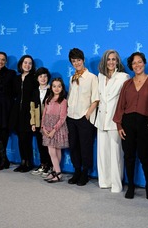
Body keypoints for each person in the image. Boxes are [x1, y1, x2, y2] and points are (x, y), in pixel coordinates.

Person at [113, 52, 148, 200]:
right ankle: (131, 185)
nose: (137, 65)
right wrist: (119, 125)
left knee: (146, 157)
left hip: (147, 124)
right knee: (129, 156)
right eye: (134, 63)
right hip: (128, 123)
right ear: (131, 66)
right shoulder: (127, 84)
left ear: (144, 63)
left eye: (139, 62)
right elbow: (120, 105)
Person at [95, 50, 129, 193]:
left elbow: (125, 101)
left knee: (115, 154)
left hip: (115, 121)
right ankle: (104, 181)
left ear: (117, 61)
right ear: (104, 61)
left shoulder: (123, 77)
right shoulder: (100, 76)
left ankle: (116, 185)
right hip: (101, 120)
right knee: (102, 153)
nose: (111, 62)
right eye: (108, 59)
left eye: (114, 59)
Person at [66, 48, 99, 186]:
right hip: (71, 117)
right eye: (74, 61)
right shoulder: (72, 78)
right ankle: (77, 171)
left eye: (78, 60)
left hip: (84, 118)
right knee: (73, 146)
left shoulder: (92, 77)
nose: (76, 63)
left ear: (83, 60)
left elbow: (96, 99)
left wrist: (88, 114)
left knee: (85, 146)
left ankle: (85, 172)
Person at [9, 54, 38, 173]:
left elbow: (36, 96)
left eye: (30, 63)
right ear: (21, 64)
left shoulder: (34, 78)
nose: (27, 65)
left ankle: (29, 163)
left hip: (29, 112)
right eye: (25, 62)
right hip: (17, 112)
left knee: (27, 138)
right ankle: (22, 161)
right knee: (20, 139)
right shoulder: (16, 78)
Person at [41, 78, 69, 183]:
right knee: (53, 151)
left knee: (55, 150)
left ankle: (58, 172)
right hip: (47, 127)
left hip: (57, 129)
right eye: (54, 86)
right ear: (51, 87)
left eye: (59, 86)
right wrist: (43, 127)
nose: (56, 88)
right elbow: (44, 114)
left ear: (62, 88)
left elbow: (62, 118)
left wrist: (54, 130)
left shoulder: (63, 101)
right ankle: (54, 171)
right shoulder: (48, 99)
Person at [30, 67, 53, 176]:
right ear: (37, 78)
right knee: (40, 144)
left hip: (49, 124)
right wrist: (33, 123)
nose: (43, 78)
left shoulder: (52, 91)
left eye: (45, 76)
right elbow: (32, 108)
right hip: (38, 123)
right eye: (40, 76)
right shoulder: (35, 91)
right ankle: (43, 164)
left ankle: (50, 165)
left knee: (49, 145)